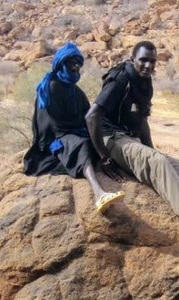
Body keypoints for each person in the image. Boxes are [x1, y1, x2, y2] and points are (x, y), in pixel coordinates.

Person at [85, 40, 179, 234]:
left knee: (176, 165)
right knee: (158, 162)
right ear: (132, 59)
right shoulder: (120, 79)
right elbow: (91, 116)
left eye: (152, 61)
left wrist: (151, 150)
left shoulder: (145, 82)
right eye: (143, 60)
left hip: (128, 137)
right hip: (111, 137)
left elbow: (142, 120)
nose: (148, 65)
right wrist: (104, 157)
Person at [23, 42, 125, 213]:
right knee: (82, 144)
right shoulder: (50, 87)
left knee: (97, 142)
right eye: (72, 63)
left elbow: (87, 117)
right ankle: (99, 193)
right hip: (55, 137)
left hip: (73, 133)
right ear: (62, 64)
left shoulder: (76, 91)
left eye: (78, 64)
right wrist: (78, 133)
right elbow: (50, 124)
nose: (76, 67)